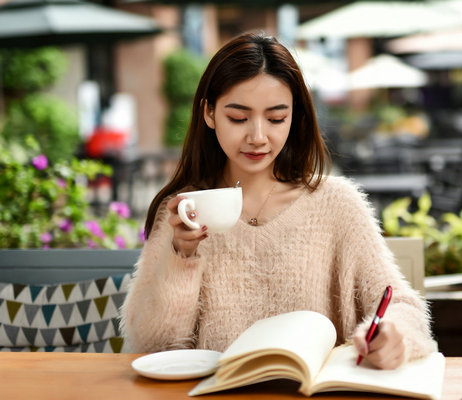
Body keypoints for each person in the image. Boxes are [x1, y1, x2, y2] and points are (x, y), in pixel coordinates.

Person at [120, 32, 436, 369]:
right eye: (238, 118)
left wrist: (393, 334)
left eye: (275, 119)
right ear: (209, 114)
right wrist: (182, 256)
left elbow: (403, 306)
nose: (257, 137)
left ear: (295, 118)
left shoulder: (337, 205)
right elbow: (152, 347)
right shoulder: (184, 209)